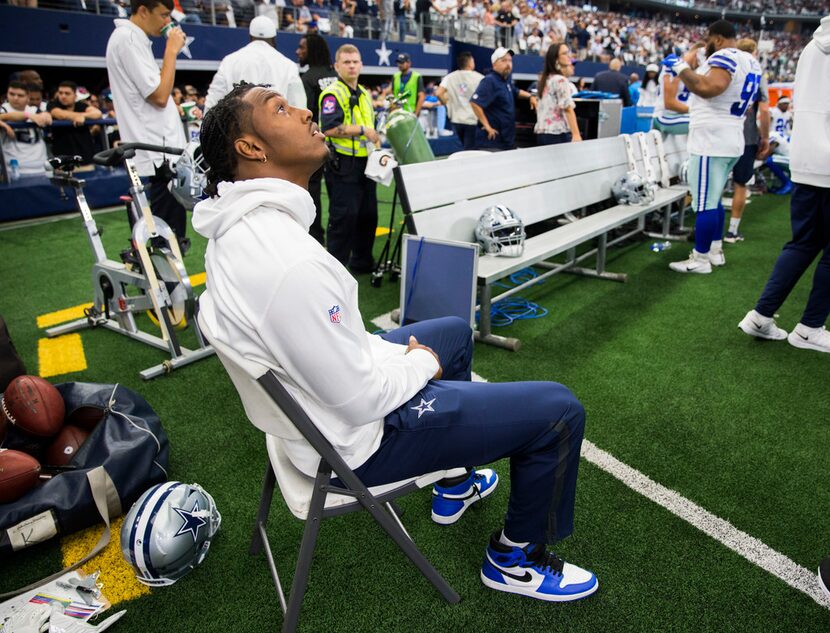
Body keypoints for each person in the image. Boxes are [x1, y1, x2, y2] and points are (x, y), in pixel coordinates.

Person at [193, 82, 599, 603]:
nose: (303, 111)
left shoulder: (240, 228)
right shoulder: (287, 262)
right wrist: (417, 365)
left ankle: (455, 482)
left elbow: (338, 347)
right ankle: (516, 559)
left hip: (316, 416)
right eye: (280, 108)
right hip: (358, 440)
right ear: (251, 149)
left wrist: (405, 356)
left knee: (451, 331)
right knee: (559, 411)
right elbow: (360, 397)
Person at [737, 15, 830, 353]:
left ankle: (761, 315)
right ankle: (810, 327)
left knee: (803, 242)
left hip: (806, 161)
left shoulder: (810, 47)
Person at [662, 20, 761, 274]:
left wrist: (682, 68)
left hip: (711, 141)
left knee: (704, 201)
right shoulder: (750, 60)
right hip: (730, 138)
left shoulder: (725, 55)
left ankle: (701, 259)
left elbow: (710, 88)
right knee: (713, 196)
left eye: (707, 41)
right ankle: (715, 250)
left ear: (716, 39)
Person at [105, 0, 190, 242]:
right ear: (143, 10)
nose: (167, 22)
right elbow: (160, 95)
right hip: (156, 154)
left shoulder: (133, 39)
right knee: (166, 241)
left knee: (168, 237)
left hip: (159, 153)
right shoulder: (127, 39)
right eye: (163, 15)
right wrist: (171, 51)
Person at [319, 44, 380, 273]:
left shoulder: (363, 93)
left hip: (367, 162)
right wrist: (364, 130)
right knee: (344, 217)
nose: (352, 65)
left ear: (361, 64)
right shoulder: (333, 93)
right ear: (337, 66)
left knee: (368, 215)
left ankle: (362, 262)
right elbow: (330, 128)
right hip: (344, 163)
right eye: (346, 62)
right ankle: (335, 269)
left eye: (355, 61)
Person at [205, 16, 306, 112]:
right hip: (276, 127)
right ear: (274, 37)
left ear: (250, 36)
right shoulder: (288, 65)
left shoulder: (230, 61)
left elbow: (213, 101)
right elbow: (298, 106)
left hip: (239, 127)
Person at [724, 38, 770, 244]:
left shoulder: (727, 68)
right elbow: (765, 111)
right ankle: (732, 231)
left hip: (723, 132)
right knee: (741, 184)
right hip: (747, 135)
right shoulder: (757, 72)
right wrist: (766, 137)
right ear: (754, 52)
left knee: (715, 183)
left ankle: (709, 232)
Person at [297, 32, 337, 245]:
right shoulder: (336, 74)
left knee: (312, 191)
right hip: (340, 145)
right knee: (338, 194)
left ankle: (315, 237)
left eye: (302, 47)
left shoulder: (307, 78)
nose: (298, 51)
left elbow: (306, 115)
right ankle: (337, 238)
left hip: (315, 143)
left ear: (311, 50)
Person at [470, 47, 537, 152]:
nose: (508, 64)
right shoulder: (489, 81)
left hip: (506, 141)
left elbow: (515, 91)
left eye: (510, 60)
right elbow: (475, 103)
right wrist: (487, 126)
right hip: (492, 143)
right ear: (494, 64)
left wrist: (530, 96)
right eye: (504, 60)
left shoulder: (505, 80)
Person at [533, 42, 581, 145]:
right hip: (557, 133)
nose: (569, 56)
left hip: (542, 132)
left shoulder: (545, 79)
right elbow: (568, 108)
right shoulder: (560, 80)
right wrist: (576, 134)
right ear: (556, 59)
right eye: (564, 53)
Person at [651, 43, 704, 135]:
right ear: (696, 54)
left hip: (681, 115)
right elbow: (669, 104)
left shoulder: (696, 71)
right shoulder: (675, 64)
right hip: (664, 115)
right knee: (703, 123)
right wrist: (695, 110)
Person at [0, 80, 51, 176]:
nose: (15, 98)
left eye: (20, 95)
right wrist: (28, 116)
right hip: (14, 169)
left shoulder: (34, 109)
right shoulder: (4, 109)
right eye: (11, 94)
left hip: (40, 166)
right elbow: (4, 115)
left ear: (28, 97)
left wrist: (45, 115)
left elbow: (48, 118)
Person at [47, 80, 103, 165]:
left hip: (85, 155)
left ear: (75, 95)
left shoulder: (81, 106)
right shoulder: (53, 104)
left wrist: (83, 116)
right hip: (62, 158)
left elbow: (97, 113)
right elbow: (59, 114)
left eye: (67, 93)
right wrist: (78, 116)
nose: (63, 96)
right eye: (60, 93)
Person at [436, 51, 483, 151]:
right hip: (472, 120)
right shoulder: (480, 78)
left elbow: (438, 93)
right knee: (470, 152)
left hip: (456, 120)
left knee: (458, 150)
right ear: (470, 62)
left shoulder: (449, 77)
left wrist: (446, 103)